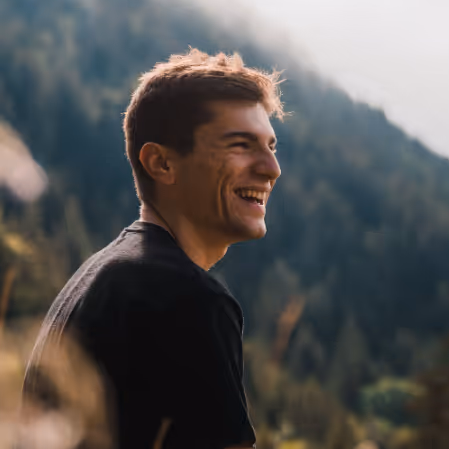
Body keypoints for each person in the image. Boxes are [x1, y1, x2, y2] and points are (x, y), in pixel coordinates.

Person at [21, 49, 285, 449]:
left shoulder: (101, 274)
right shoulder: (188, 300)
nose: (271, 168)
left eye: (271, 146)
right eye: (241, 144)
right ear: (161, 163)